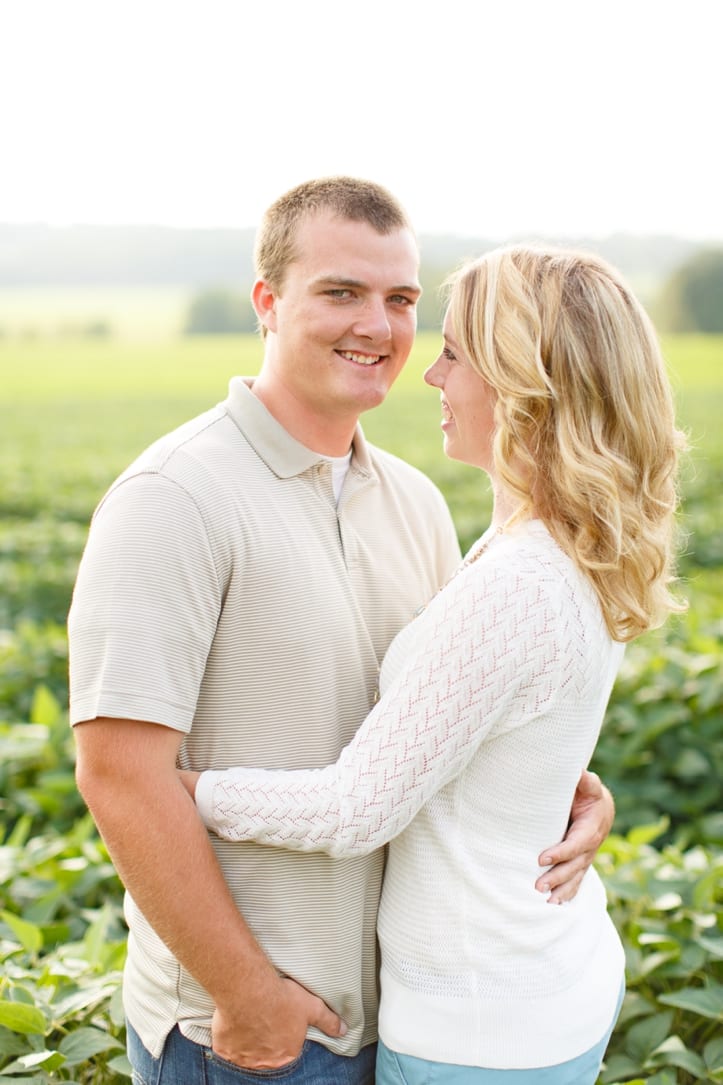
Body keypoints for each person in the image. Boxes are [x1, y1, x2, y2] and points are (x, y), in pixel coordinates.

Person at [68, 179, 616, 1085]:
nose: (378, 325)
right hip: (252, 1035)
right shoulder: (172, 500)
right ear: (267, 301)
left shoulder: (420, 501)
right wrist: (246, 997)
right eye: (340, 292)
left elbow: (444, 718)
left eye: (400, 300)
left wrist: (557, 785)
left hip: (402, 1014)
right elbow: (120, 776)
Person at [178, 244, 686, 1083]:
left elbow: (355, 808)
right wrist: (560, 782)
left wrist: (187, 790)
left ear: (524, 385)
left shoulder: (520, 580)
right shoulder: (558, 540)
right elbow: (512, 721)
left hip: (478, 1025)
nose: (430, 375)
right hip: (545, 978)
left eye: (454, 353)